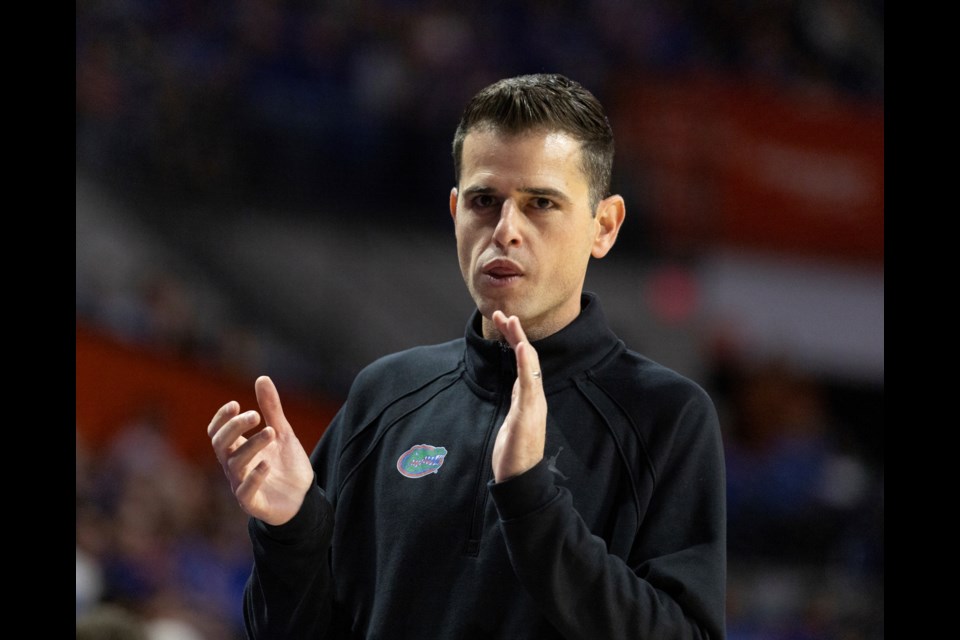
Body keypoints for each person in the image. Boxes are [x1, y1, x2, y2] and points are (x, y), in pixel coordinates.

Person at [208, 73, 726, 639]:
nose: (505, 230)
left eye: (541, 204)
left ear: (603, 226)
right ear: (455, 210)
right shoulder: (384, 397)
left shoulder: (666, 418)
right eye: (485, 200)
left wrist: (531, 499)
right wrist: (290, 530)